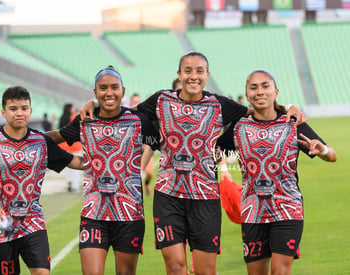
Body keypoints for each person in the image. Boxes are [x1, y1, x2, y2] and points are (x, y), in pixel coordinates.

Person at [79, 52, 304, 275]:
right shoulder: (161, 100)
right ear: (179, 74)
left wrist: (289, 107)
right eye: (187, 71)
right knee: (175, 265)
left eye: (199, 71)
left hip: (205, 199)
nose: (193, 76)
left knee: (205, 271)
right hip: (168, 196)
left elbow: (259, 110)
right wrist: (93, 103)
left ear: (207, 75)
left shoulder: (219, 104)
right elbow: (122, 113)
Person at [46, 65, 159, 275]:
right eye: (103, 88)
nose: (109, 92)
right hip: (93, 213)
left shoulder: (139, 121)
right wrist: (25, 140)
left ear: (123, 91)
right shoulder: (85, 120)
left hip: (130, 215)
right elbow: (56, 137)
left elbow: (170, 138)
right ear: (95, 93)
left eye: (114, 87)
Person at [227, 70, 336, 275]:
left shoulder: (293, 123)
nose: (260, 91)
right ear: (247, 95)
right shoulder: (237, 126)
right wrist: (222, 167)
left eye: (265, 86)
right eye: (254, 87)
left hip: (287, 209)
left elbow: (332, 155)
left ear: (275, 91)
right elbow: (211, 144)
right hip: (252, 212)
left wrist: (321, 149)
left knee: (280, 272)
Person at [0, 86, 84, 275]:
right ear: (3, 112)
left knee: (42, 272)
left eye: (24, 108)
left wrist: (102, 160)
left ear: (30, 110)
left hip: (32, 220)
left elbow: (73, 162)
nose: (19, 113)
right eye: (13, 109)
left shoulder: (41, 141)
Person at [58, 103, 82, 193]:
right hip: (75, 146)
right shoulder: (74, 118)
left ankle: (69, 182)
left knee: (69, 166)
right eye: (72, 107)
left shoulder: (62, 119)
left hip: (65, 147)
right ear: (69, 109)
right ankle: (75, 187)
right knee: (77, 167)